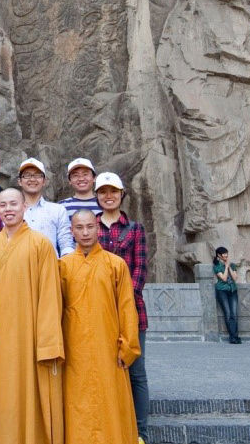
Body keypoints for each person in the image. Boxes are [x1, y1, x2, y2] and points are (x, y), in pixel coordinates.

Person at [0, 188, 63, 444]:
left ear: (24, 208)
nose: (8, 209)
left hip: (31, 334)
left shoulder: (41, 244)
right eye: (3, 205)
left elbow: (51, 294)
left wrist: (48, 339)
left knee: (32, 395)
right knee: (4, 393)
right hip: (2, 336)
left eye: (13, 204)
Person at [60, 210, 140, 444]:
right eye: (79, 228)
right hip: (74, 350)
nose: (85, 232)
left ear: (97, 228)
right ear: (72, 231)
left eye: (89, 227)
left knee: (109, 404)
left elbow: (127, 307)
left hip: (109, 350)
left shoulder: (115, 264)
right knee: (78, 405)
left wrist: (128, 347)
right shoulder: (62, 266)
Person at [94, 172, 150, 440]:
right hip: (99, 311)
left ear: (121, 194)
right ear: (97, 196)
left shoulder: (135, 229)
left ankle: (139, 431)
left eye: (113, 191)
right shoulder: (89, 226)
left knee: (136, 371)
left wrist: (123, 299)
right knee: (106, 369)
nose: (108, 196)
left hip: (133, 310)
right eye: (103, 191)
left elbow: (140, 268)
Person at [17, 158, 74, 257]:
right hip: (19, 268)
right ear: (20, 181)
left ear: (44, 181)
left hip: (50, 268)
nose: (32, 179)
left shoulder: (57, 210)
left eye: (37, 175)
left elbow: (66, 243)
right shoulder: (12, 211)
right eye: (27, 175)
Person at [214, 246, 241, 344]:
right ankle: (233, 337)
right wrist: (225, 267)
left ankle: (234, 336)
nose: (226, 255)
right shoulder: (217, 266)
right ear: (219, 255)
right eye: (224, 254)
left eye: (226, 253)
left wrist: (229, 266)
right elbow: (224, 279)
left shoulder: (232, 265)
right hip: (222, 291)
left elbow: (234, 278)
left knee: (234, 314)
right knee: (228, 313)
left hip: (233, 291)